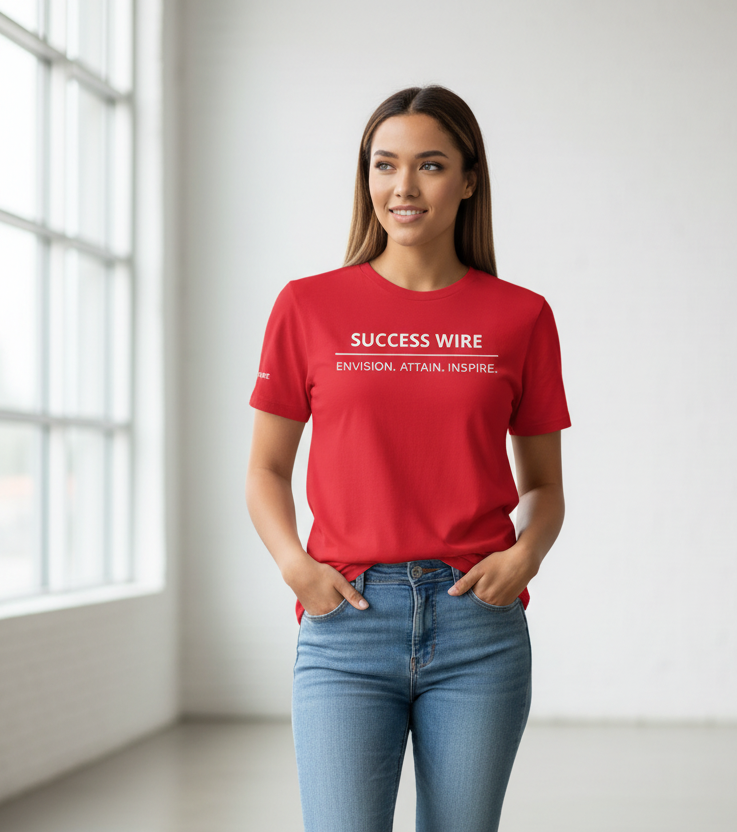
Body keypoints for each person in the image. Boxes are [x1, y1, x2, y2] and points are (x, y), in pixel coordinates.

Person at [245, 84, 571, 832]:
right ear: (366, 177)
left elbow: (546, 486)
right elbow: (266, 467)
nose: (403, 186)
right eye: (384, 164)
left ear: (468, 179)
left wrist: (527, 558)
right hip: (346, 621)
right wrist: (294, 565)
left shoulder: (521, 316)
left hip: (477, 625)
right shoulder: (307, 306)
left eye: (429, 165)